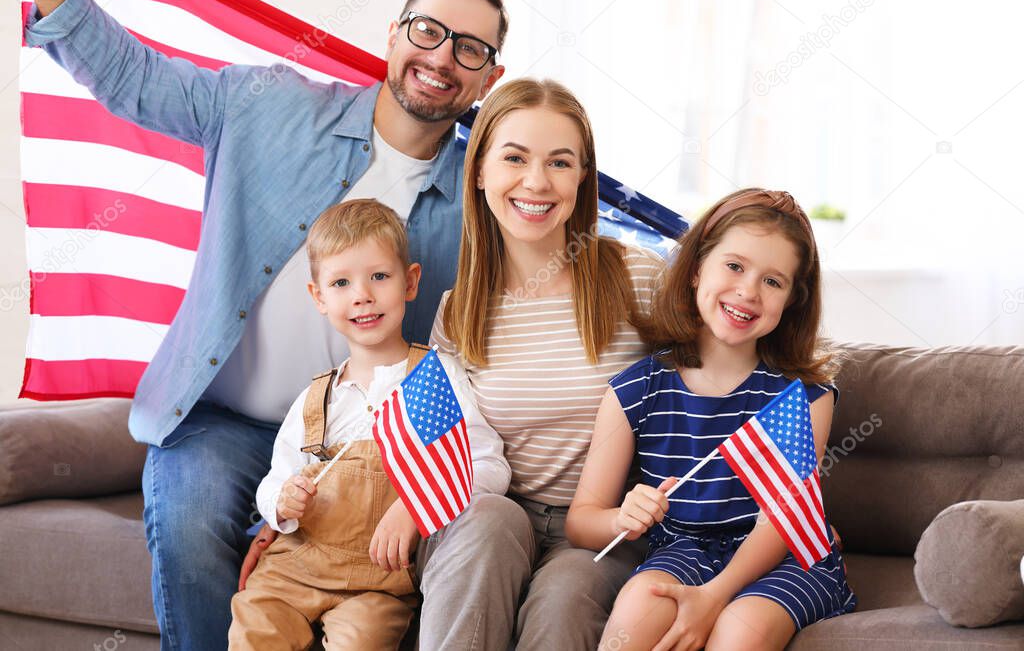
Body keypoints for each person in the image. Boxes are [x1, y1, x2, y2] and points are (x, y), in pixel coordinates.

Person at [19, 0, 507, 648]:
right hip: (219, 424)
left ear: (489, 76)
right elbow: (135, 77)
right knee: (190, 525)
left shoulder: (485, 202)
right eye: (428, 31)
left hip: (363, 447)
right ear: (394, 35)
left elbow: (556, 242)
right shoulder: (270, 104)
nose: (442, 58)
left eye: (470, 49)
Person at [424, 78, 667, 649]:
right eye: (515, 158)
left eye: (560, 163)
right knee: (488, 523)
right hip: (494, 517)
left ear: (582, 178)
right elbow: (437, 447)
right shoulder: (457, 312)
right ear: (479, 169)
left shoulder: (639, 278)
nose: (536, 181)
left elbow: (710, 391)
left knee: (562, 597)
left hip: (603, 531)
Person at [565, 188, 857, 650]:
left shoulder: (801, 396)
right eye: (735, 266)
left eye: (772, 281)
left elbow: (782, 520)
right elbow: (581, 522)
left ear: (791, 301)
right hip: (683, 550)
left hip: (784, 555)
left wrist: (714, 597)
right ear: (698, 266)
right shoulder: (635, 388)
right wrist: (623, 516)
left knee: (739, 630)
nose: (748, 291)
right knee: (637, 611)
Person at [228, 199, 509, 650]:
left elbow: (487, 466)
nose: (362, 295)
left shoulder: (430, 379)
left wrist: (417, 506)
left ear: (410, 282)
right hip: (292, 568)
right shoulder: (316, 397)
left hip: (376, 581)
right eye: (341, 282)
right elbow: (274, 479)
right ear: (319, 297)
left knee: (364, 641)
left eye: (379, 276)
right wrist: (281, 501)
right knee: (255, 632)